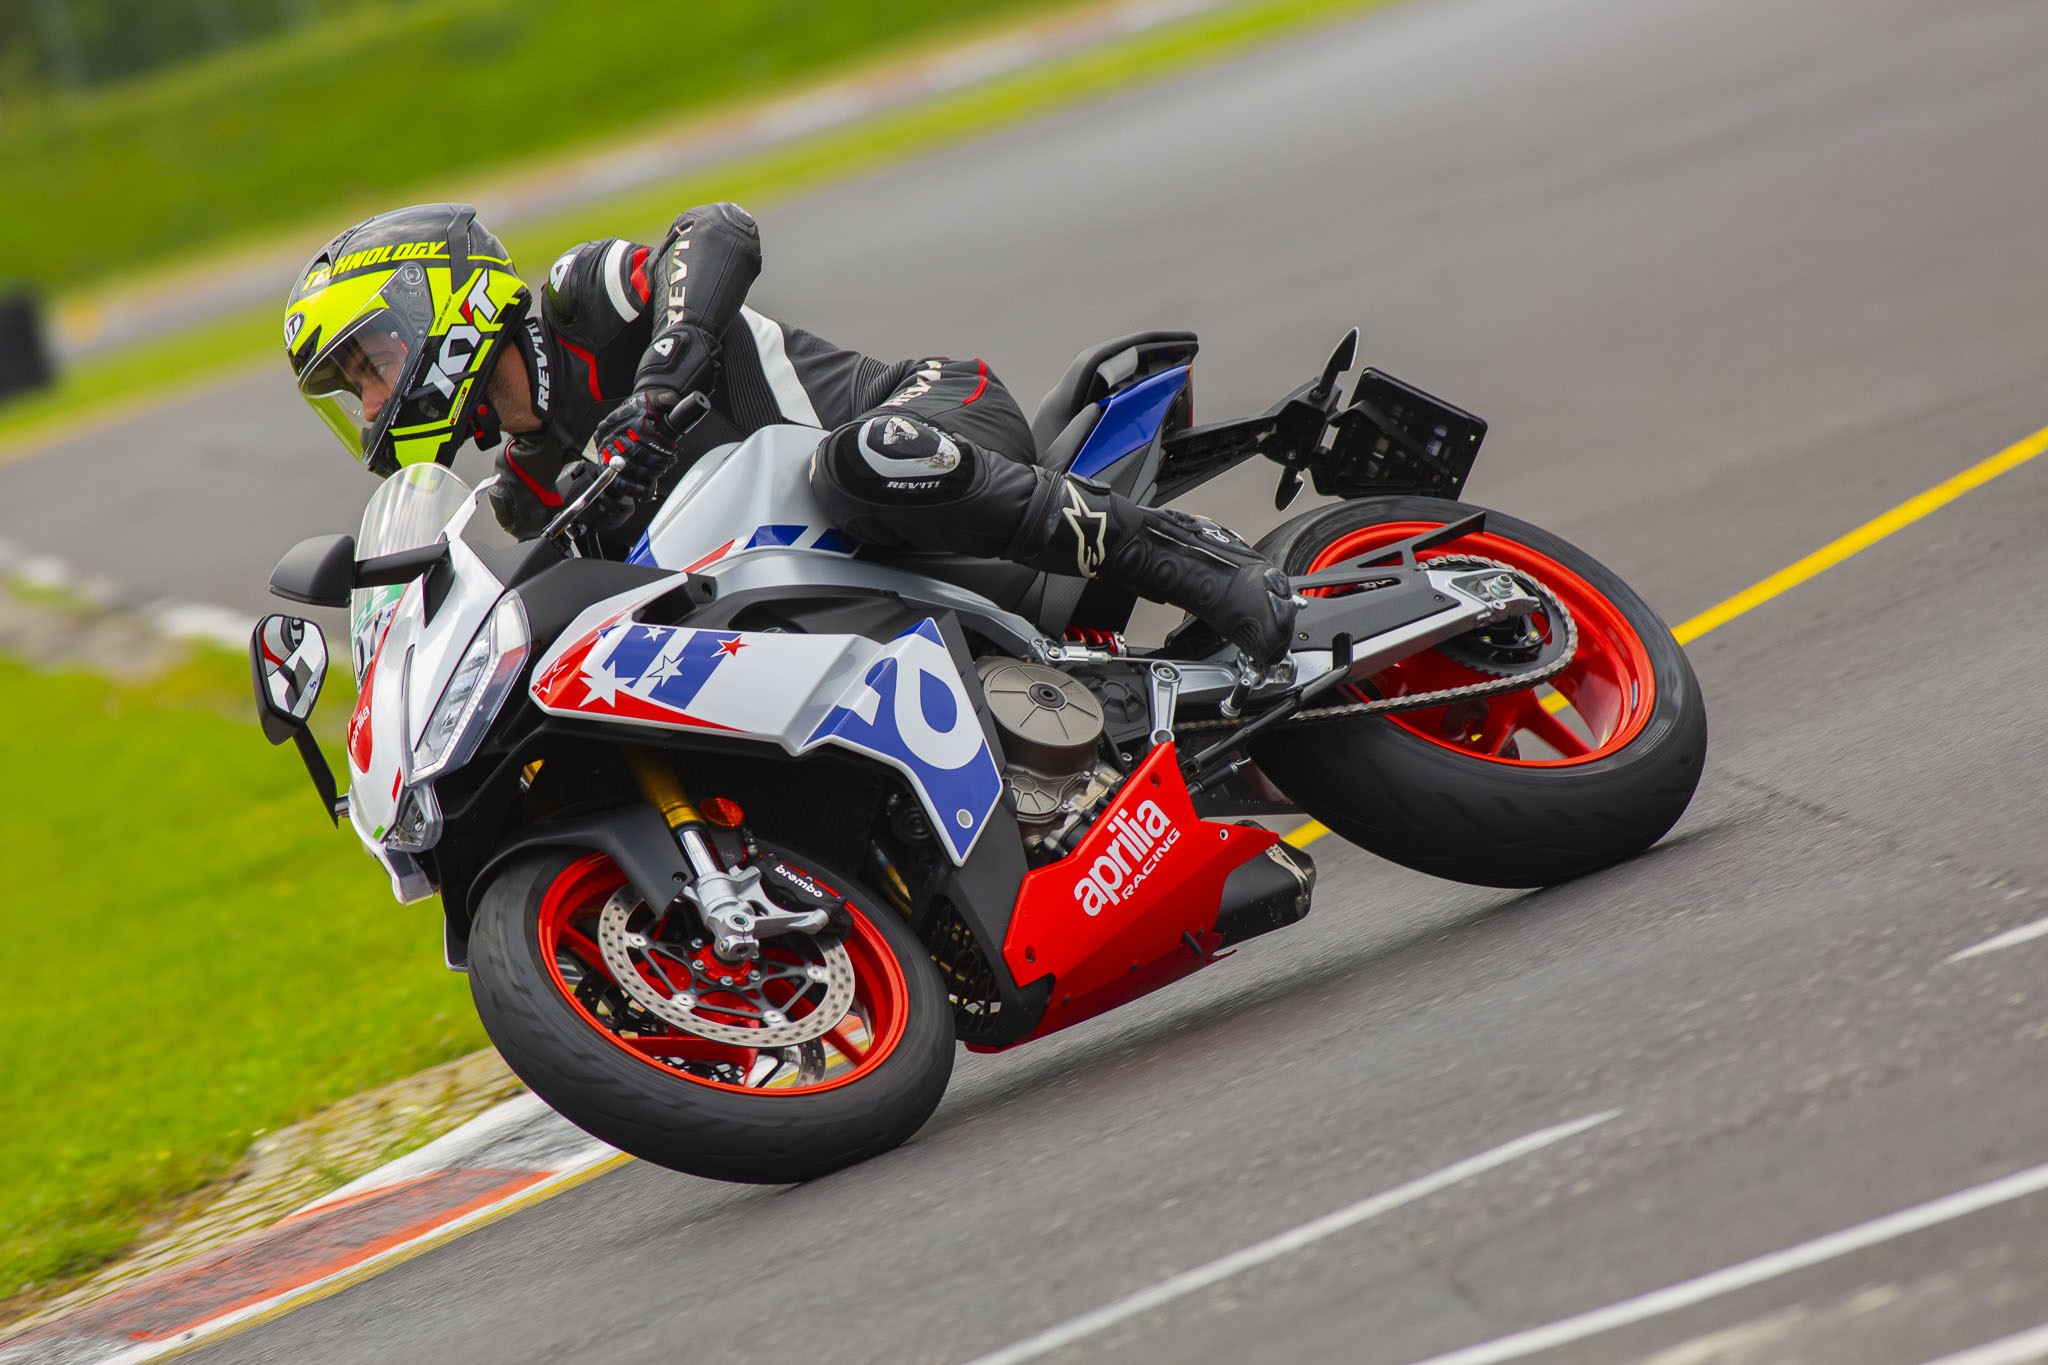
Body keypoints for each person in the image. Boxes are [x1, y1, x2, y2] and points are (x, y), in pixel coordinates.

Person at [282, 201, 1297, 661]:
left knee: (855, 464)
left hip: (924, 415)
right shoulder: (530, 490)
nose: (368, 403)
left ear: (437, 306)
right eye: (352, 388)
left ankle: (1202, 565)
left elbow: (717, 229)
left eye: (368, 365)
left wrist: (663, 376)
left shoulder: (580, 300)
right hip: (840, 582)